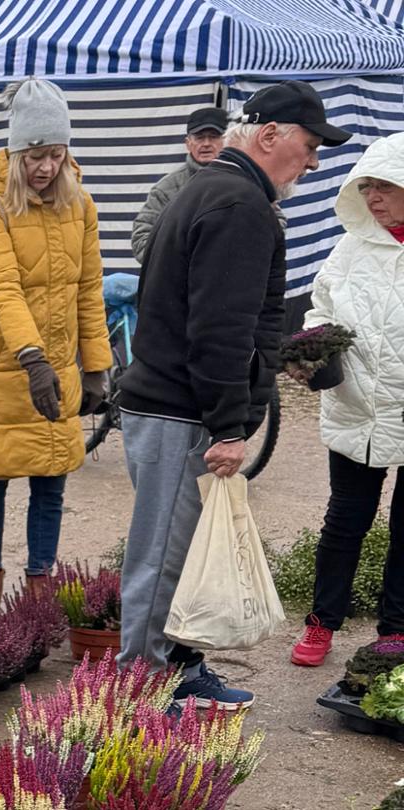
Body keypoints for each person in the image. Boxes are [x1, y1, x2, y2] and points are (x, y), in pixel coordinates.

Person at [117, 80, 348, 707]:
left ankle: (177, 672)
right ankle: (132, 700)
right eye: (309, 144)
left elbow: (234, 319)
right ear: (270, 135)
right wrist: (227, 426)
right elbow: (219, 329)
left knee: (175, 554)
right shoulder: (237, 204)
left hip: (168, 402)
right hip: (179, 408)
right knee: (162, 558)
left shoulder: (217, 190)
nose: (314, 160)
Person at [0, 78, 114, 606]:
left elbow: (89, 288)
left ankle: (39, 593)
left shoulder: (81, 205)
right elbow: (1, 287)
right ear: (16, 151)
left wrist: (96, 366)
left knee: (51, 478)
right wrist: (31, 358)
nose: (46, 167)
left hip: (55, 360)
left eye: (56, 154)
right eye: (35, 155)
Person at [289, 133, 404, 667]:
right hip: (356, 404)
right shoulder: (349, 249)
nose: (373, 197)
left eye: (384, 186)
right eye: (367, 187)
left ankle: (396, 630)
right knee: (345, 521)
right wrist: (313, 346)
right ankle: (321, 624)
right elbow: (319, 308)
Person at [131, 107, 228, 267]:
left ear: (228, 140)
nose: (206, 144)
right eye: (199, 137)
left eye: (213, 137)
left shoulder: (246, 180)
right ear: (188, 143)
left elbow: (275, 224)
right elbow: (141, 239)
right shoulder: (166, 189)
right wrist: (182, 263)